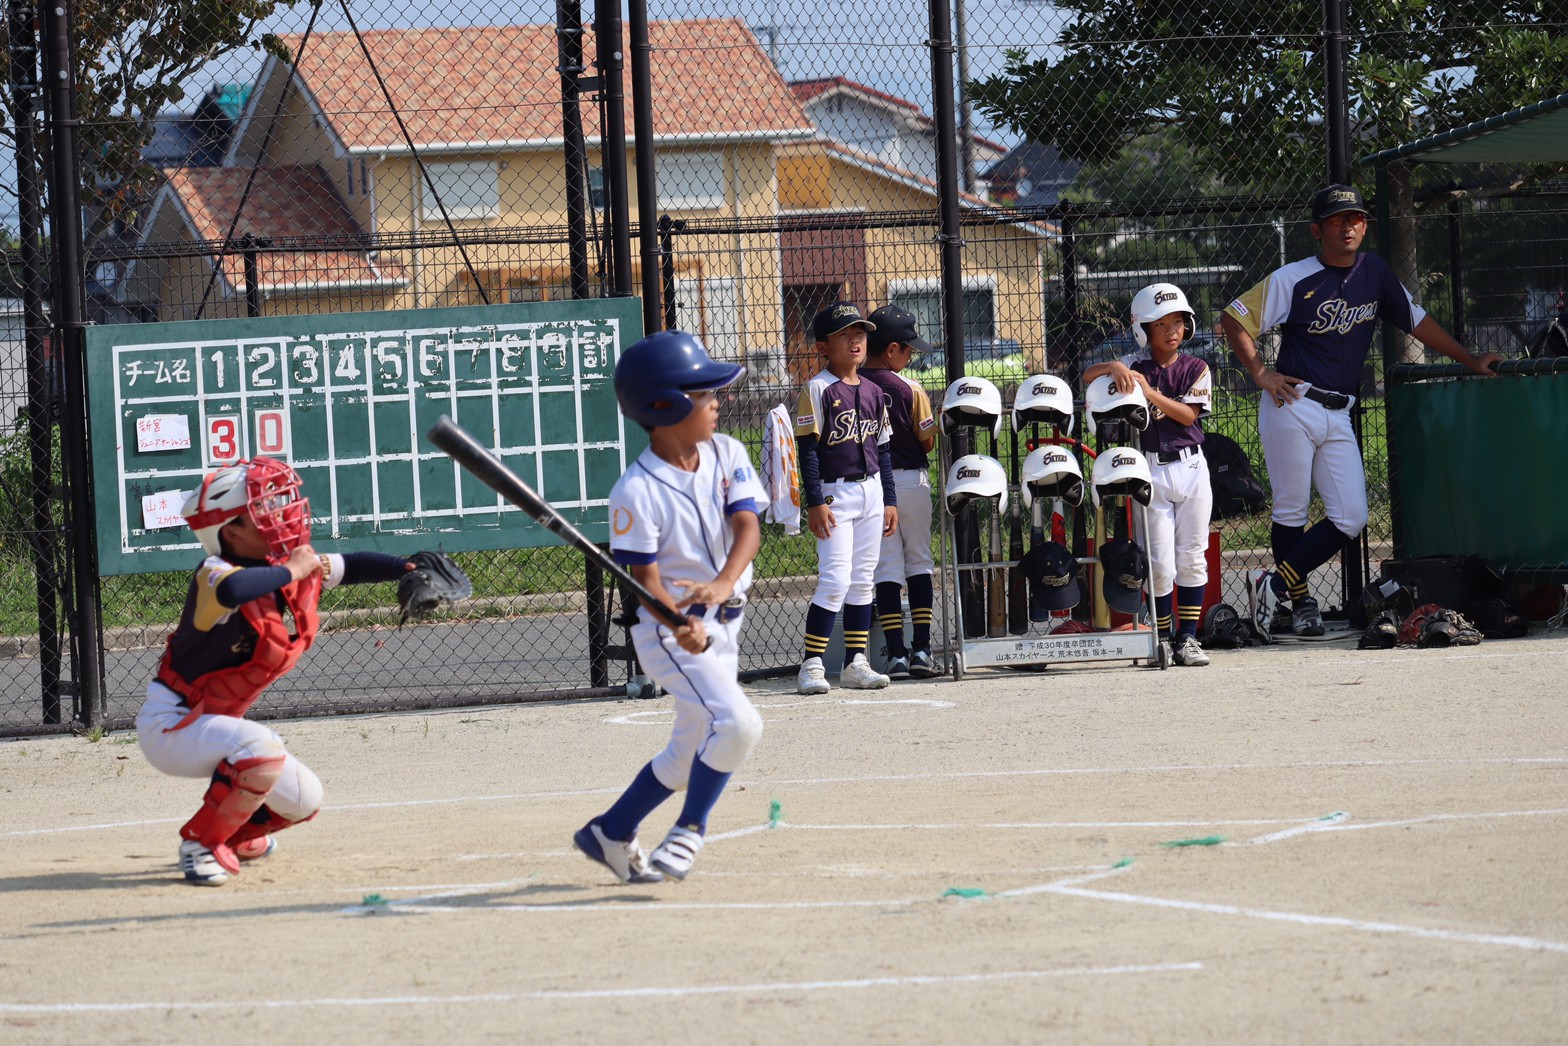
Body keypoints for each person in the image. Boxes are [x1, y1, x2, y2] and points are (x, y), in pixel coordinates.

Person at [1221, 184, 1501, 641]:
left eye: (1355, 218)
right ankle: (1299, 602)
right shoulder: (1293, 277)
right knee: (1291, 508)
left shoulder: (1375, 272)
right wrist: (1259, 373)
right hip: (1292, 403)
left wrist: (1469, 359)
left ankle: (1271, 582)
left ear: (1365, 226)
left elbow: (1416, 320)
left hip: (1341, 411)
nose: (1348, 225)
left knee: (1351, 516)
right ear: (1316, 230)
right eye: (1336, 219)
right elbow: (1234, 319)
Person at [137, 457, 426, 886]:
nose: (280, 516)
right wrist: (293, 569)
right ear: (231, 532)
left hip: (211, 725)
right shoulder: (215, 572)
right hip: (171, 726)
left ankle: (236, 836)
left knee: (305, 799)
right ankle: (200, 842)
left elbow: (350, 564)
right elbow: (237, 589)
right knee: (261, 745)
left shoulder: (277, 565)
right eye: (263, 512)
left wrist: (406, 567)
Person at [572, 329, 765, 884]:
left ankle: (609, 830)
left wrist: (723, 585)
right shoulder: (635, 491)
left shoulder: (727, 452)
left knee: (689, 752)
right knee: (738, 724)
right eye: (705, 395)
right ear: (666, 406)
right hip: (667, 633)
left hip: (723, 623)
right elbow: (646, 583)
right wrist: (679, 625)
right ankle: (690, 831)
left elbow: (748, 527)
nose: (717, 402)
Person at [1084, 283, 1214, 667]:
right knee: (1159, 561)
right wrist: (1114, 367)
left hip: (1191, 467)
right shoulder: (1135, 364)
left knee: (1192, 556)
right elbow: (1088, 376)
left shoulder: (1196, 367)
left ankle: (1187, 639)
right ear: (1143, 330)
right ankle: (1162, 637)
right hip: (1150, 469)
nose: (1172, 330)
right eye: (1161, 325)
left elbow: (1189, 415)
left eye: (1178, 322)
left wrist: (1149, 392)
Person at [794, 301, 898, 695]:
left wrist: (889, 499)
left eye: (859, 333)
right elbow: (808, 450)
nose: (855, 340)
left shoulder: (873, 390)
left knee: (863, 580)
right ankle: (812, 664)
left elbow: (884, 450)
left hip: (871, 491)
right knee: (835, 579)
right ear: (823, 346)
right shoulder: (816, 388)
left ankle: (856, 663)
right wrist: (815, 500)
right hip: (835, 493)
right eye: (844, 334)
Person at [861, 305, 940, 679]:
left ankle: (895, 655)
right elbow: (927, 442)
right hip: (909, 480)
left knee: (886, 569)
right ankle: (922, 649)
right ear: (891, 350)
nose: (910, 357)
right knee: (919, 561)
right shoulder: (910, 388)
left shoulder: (852, 385)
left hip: (872, 484)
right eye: (908, 350)